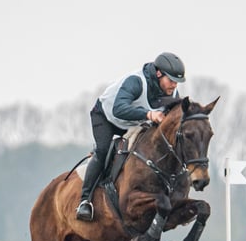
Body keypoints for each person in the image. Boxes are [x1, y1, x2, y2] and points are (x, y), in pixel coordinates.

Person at [75, 52, 186, 221]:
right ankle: (85, 201)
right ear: (158, 73)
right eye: (171, 80)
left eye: (176, 82)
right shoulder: (136, 81)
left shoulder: (172, 94)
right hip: (106, 117)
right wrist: (149, 114)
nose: (174, 86)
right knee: (103, 150)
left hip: (132, 123)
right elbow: (118, 109)